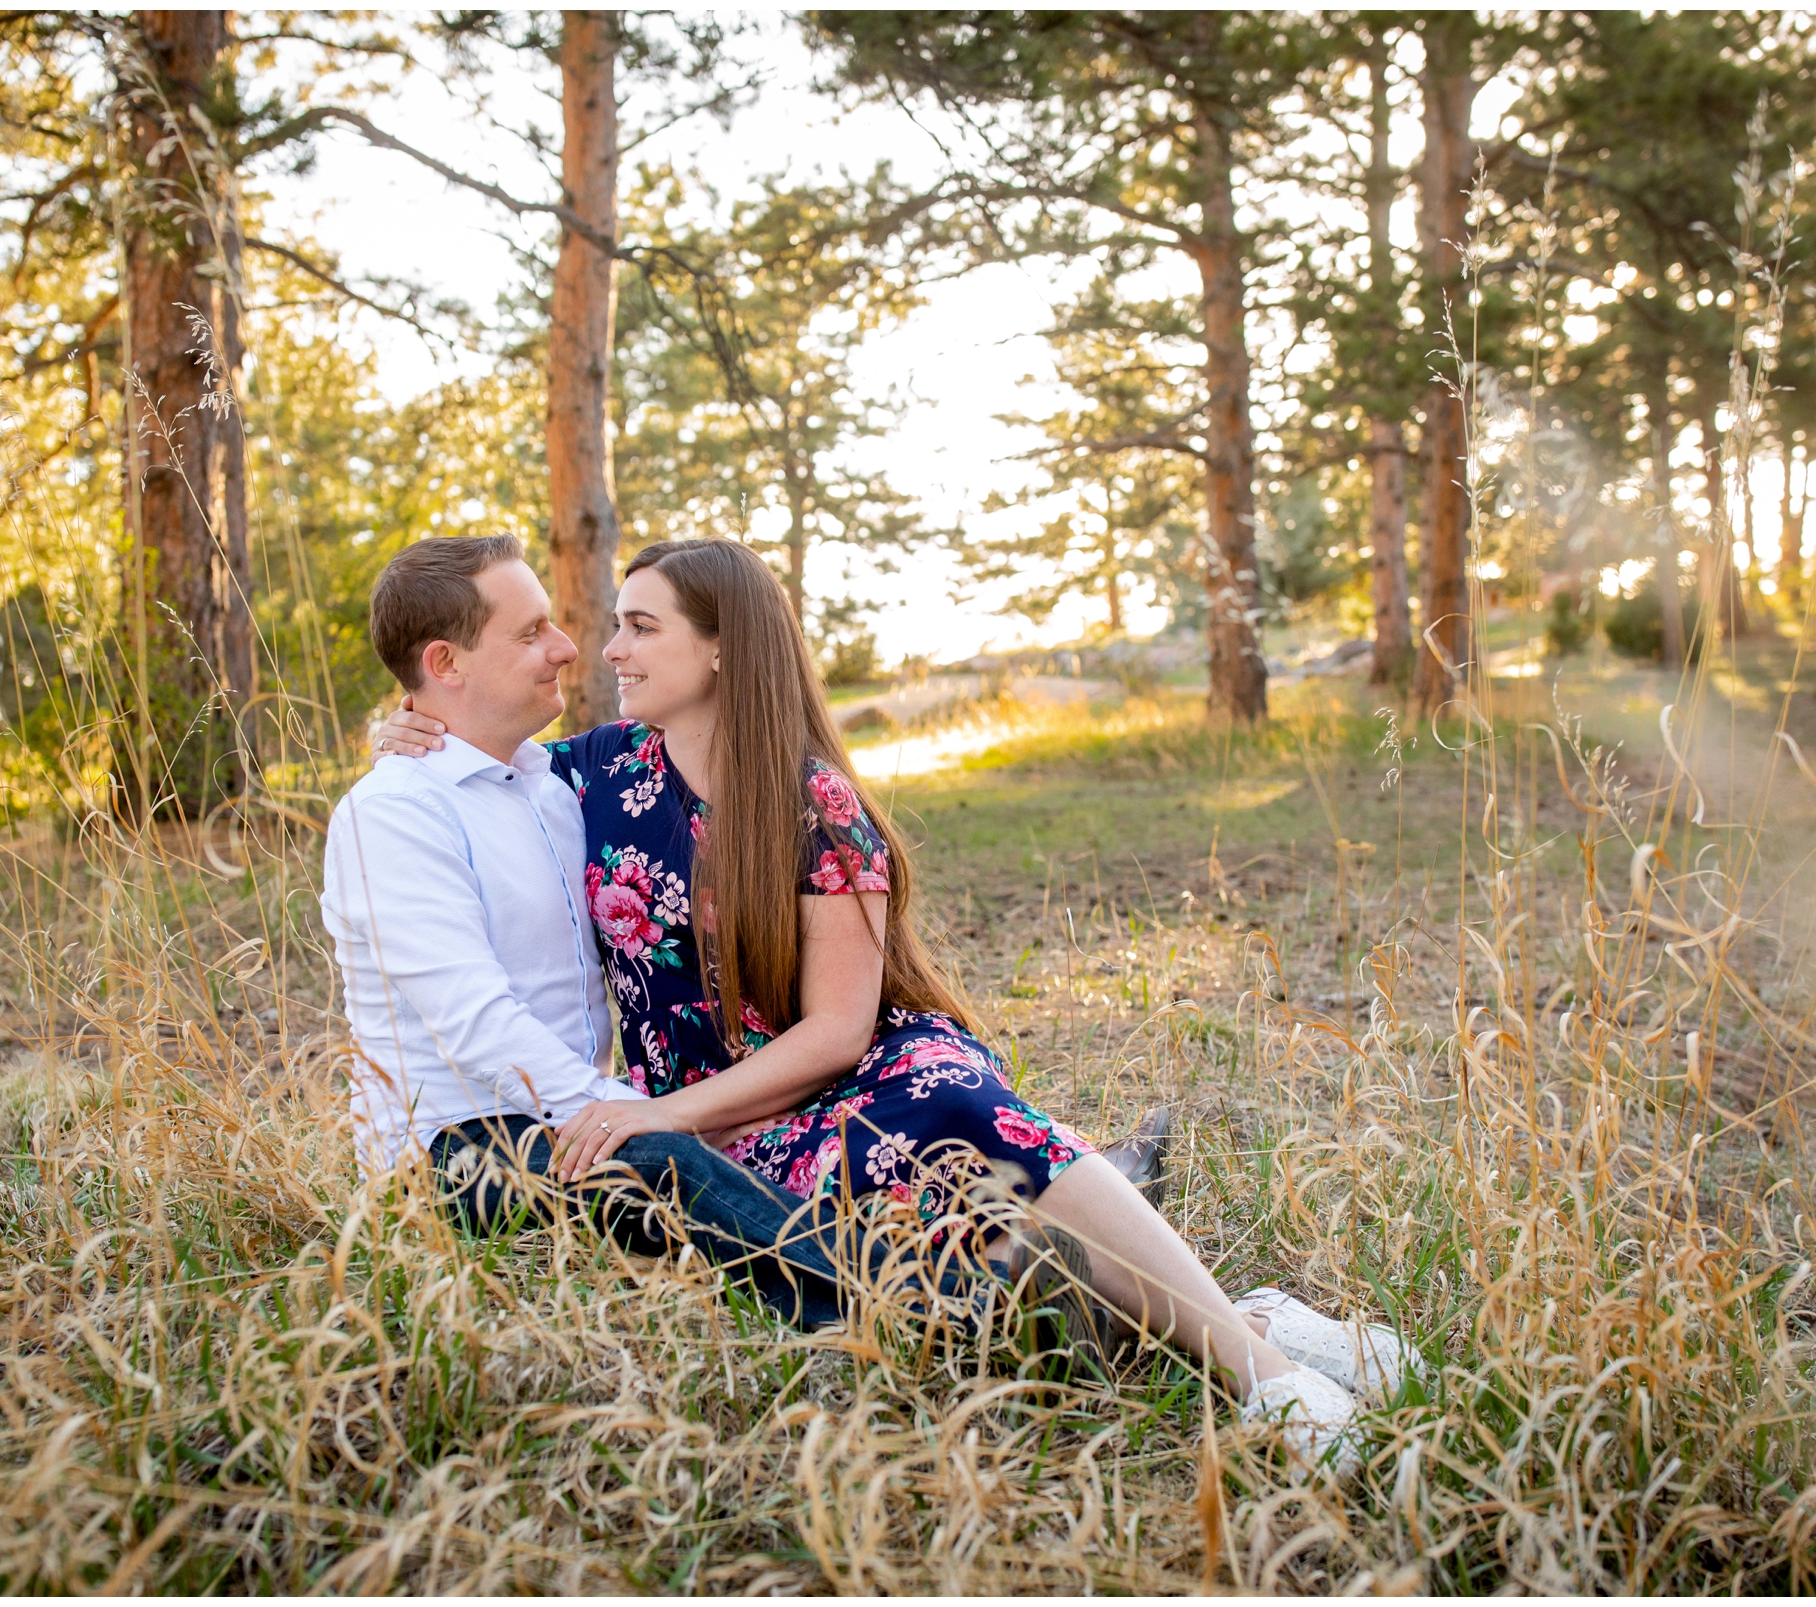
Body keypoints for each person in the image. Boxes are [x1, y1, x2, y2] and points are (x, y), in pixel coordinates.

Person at [374, 537, 1421, 1459]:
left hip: (828, 1080)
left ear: (723, 645)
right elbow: (475, 755)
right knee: (988, 1251)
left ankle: (1262, 1376)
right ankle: (1256, 1315)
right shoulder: (587, 775)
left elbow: (838, 1030)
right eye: (613, 627)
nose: (608, 649)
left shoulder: (815, 800)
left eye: (640, 626)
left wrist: (656, 1114)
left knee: (953, 1096)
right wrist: (404, 726)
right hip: (711, 1129)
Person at [321, 535, 868, 1330]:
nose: (569, 647)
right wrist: (632, 1109)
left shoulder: (553, 787)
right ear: (446, 662)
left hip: (571, 1121)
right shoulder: (395, 814)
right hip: (450, 1156)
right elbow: (477, 1027)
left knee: (801, 1134)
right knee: (662, 1166)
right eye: (531, 630)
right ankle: (937, 1307)